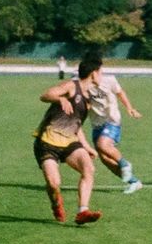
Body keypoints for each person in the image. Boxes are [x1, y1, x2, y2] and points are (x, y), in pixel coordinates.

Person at [33, 54, 104, 225]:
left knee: (89, 168)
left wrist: (86, 146)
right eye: (101, 72)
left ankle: (83, 211)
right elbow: (45, 95)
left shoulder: (89, 98)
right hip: (47, 142)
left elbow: (76, 125)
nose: (102, 76)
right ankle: (56, 203)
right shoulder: (71, 86)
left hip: (69, 142)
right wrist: (60, 98)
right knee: (53, 183)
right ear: (93, 73)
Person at [87, 68, 144, 193]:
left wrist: (130, 108)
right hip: (96, 124)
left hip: (111, 120)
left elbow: (120, 92)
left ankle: (125, 164)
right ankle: (134, 182)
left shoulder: (109, 79)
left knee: (103, 144)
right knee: (105, 159)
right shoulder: (80, 81)